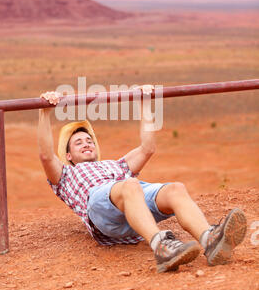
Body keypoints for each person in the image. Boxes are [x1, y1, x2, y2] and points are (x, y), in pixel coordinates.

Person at [37, 86, 247, 273]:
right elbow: (46, 156)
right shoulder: (65, 175)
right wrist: (44, 111)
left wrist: (145, 104)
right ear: (69, 156)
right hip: (102, 209)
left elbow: (148, 148)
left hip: (132, 203)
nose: (86, 143)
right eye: (78, 142)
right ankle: (161, 247)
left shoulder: (116, 164)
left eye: (89, 140)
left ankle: (209, 239)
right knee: (130, 185)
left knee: (175, 188)